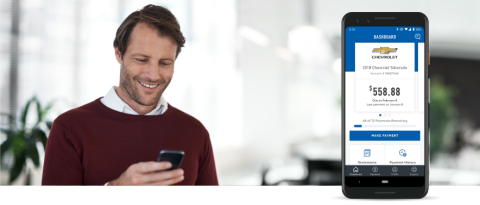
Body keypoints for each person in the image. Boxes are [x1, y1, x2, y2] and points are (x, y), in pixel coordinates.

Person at [42, 4, 218, 186]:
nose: (153, 75)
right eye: (142, 60)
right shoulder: (70, 129)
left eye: (165, 63)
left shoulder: (195, 133)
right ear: (119, 53)